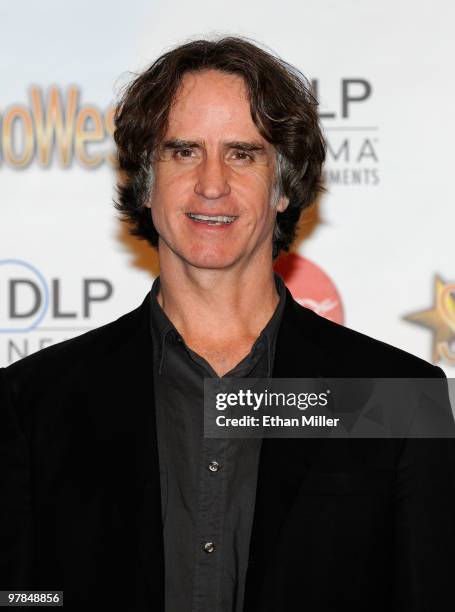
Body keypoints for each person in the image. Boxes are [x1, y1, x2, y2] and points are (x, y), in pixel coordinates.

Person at [1, 37, 454, 612]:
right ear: (146, 179)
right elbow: (21, 596)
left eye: (243, 153)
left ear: (284, 187)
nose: (211, 184)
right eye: (184, 151)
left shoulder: (395, 399)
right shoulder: (35, 401)